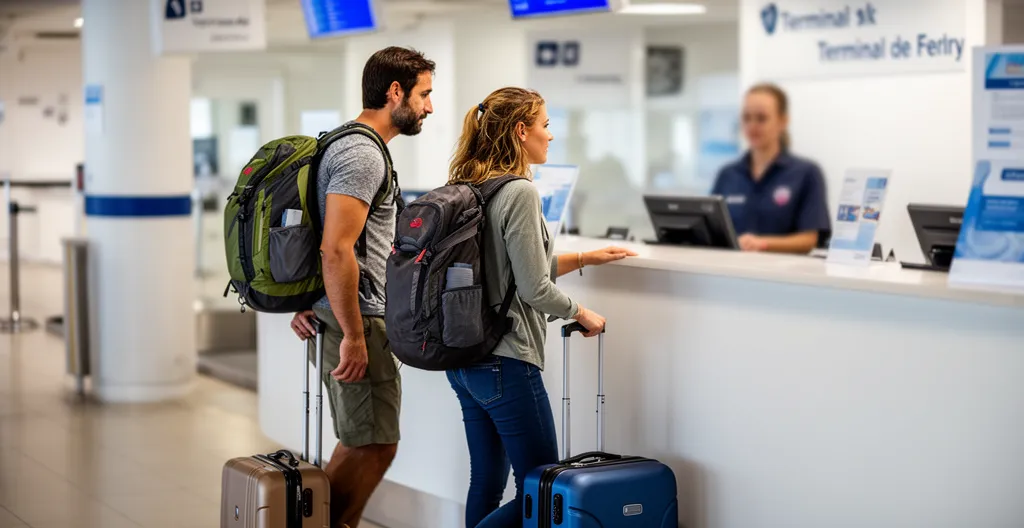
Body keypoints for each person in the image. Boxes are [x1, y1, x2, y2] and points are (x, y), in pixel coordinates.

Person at [446, 87, 637, 528]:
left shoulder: (469, 184)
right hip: (507, 360)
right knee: (543, 488)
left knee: (486, 483)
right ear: (520, 131)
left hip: (465, 358)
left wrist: (585, 258)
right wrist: (581, 312)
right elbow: (533, 288)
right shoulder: (519, 192)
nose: (550, 136)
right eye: (545, 125)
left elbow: (514, 269)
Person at [289, 46, 435, 528]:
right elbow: (336, 249)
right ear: (395, 92)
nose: (429, 107)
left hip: (347, 311)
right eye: (424, 94)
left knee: (364, 437)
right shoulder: (361, 153)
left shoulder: (345, 144)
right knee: (372, 442)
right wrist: (353, 334)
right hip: (359, 318)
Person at [711, 83, 831, 254]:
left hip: (782, 276)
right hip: (732, 273)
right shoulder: (727, 175)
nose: (752, 125)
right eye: (746, 117)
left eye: (761, 118)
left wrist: (762, 243)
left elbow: (809, 239)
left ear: (783, 121)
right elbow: (712, 229)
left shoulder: (806, 173)